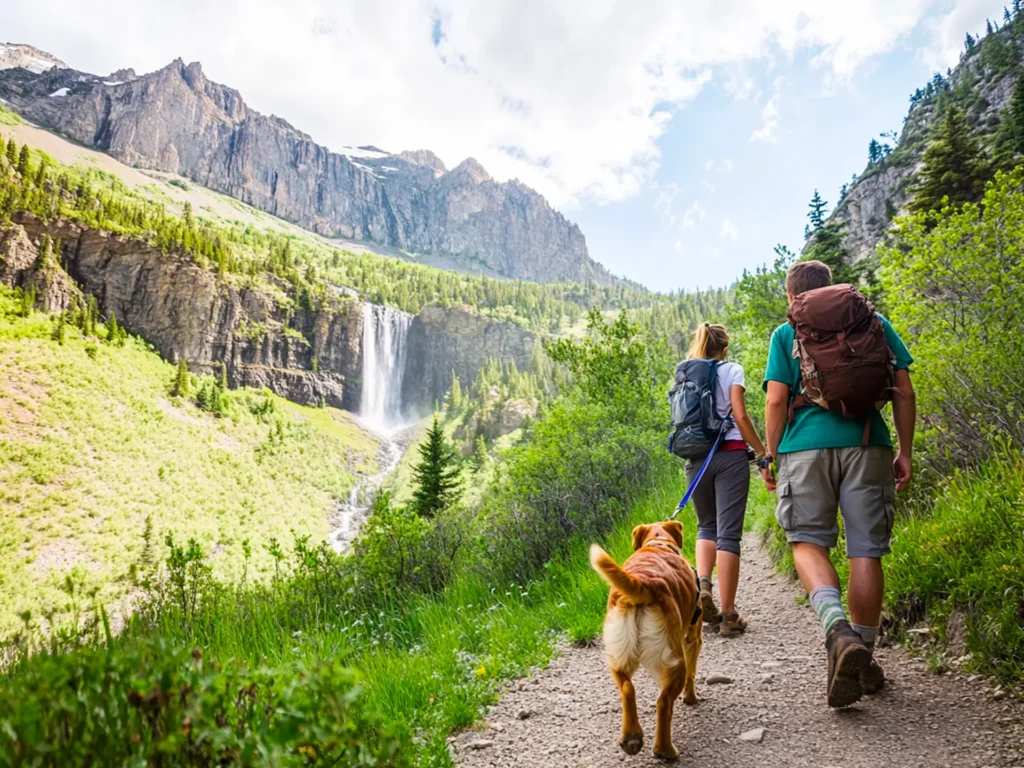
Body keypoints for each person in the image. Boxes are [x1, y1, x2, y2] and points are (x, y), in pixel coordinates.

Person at [761, 260, 916, 708]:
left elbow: (775, 400)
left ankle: (838, 632)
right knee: (866, 549)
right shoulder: (874, 322)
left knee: (807, 541)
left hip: (804, 450)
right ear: (833, 289)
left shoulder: (786, 332)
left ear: (793, 297)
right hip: (869, 444)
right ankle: (863, 653)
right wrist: (904, 450)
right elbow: (904, 389)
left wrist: (769, 456)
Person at [684, 322, 768, 637]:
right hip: (730, 455)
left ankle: (703, 585)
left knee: (706, 526)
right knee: (729, 536)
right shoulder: (732, 369)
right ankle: (729, 616)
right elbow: (741, 415)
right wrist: (761, 452)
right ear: (725, 347)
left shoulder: (687, 372)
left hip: (696, 459)